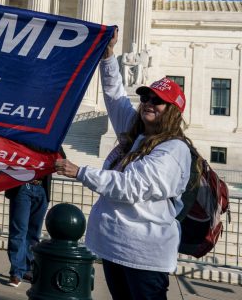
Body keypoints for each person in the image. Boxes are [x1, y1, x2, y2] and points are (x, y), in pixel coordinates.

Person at [55, 28, 194, 299]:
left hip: (145, 256)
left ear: (173, 110)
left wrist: (80, 171)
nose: (148, 104)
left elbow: (131, 186)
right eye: (145, 98)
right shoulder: (136, 135)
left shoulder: (174, 150)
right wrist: (107, 57)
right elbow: (115, 96)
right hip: (116, 248)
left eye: (158, 101)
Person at [4, 171, 52, 287]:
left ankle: (28, 269)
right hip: (22, 186)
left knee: (34, 233)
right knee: (19, 231)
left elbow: (60, 157)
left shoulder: (51, 150)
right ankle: (16, 272)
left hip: (42, 188)